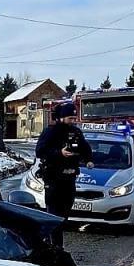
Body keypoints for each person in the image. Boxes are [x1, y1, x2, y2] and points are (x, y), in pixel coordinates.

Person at [34, 99, 90, 243]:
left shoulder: (76, 132)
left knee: (64, 215)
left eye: (74, 118)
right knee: (54, 215)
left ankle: (51, 242)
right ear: (61, 118)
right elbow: (40, 151)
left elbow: (85, 147)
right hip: (53, 179)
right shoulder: (50, 132)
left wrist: (88, 159)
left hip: (69, 179)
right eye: (70, 118)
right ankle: (54, 245)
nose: (73, 121)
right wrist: (59, 153)